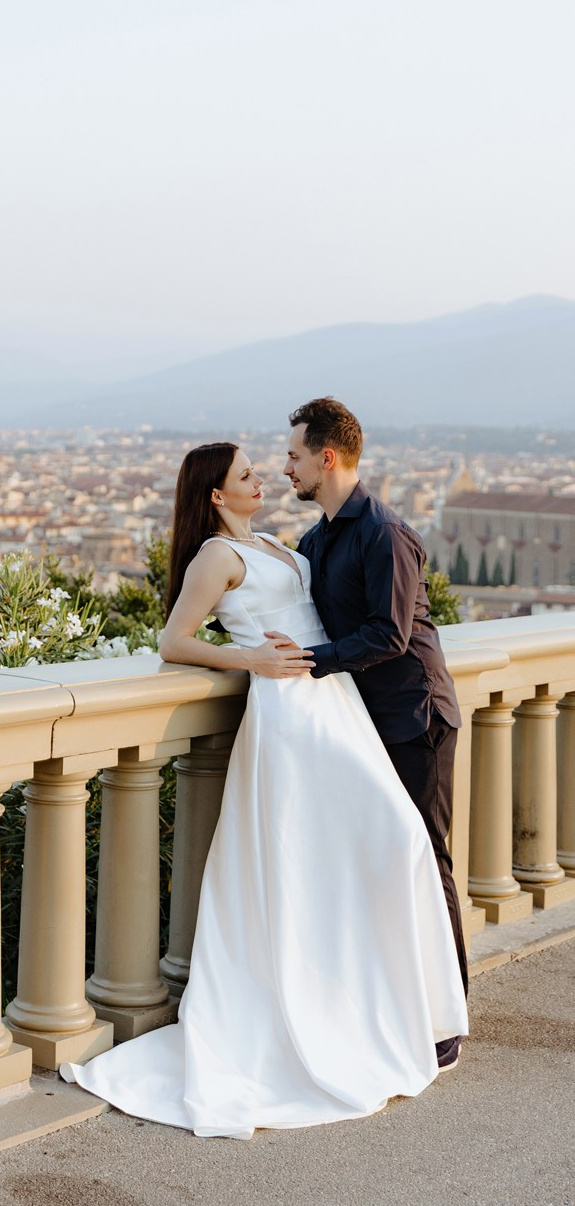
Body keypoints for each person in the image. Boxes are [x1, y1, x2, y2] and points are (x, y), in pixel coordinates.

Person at [61, 440, 467, 1139]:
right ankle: (346, 1010)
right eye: (247, 474)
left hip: (329, 697)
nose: (265, 477)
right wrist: (246, 658)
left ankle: (386, 1005)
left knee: (377, 844)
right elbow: (173, 641)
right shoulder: (217, 556)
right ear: (217, 496)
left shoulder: (281, 542)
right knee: (357, 844)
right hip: (288, 709)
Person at [286, 396, 467, 1071]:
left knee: (425, 858)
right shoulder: (316, 539)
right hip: (365, 724)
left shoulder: (384, 532)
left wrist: (310, 662)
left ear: (325, 457)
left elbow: (389, 635)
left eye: (293, 456)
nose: (286, 469)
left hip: (414, 717)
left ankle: (448, 1016)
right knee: (380, 863)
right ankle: (396, 1003)